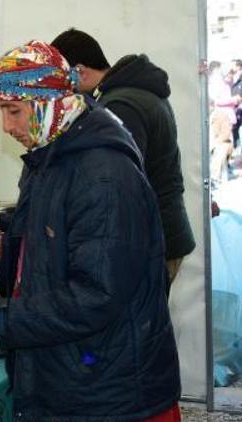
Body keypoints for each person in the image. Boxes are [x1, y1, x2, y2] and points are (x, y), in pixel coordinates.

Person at [0, 41, 181, 420]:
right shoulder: (48, 156)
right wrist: (0, 255)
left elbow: (98, 292)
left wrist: (1, 317)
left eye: (14, 111)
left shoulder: (103, 173)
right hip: (72, 373)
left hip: (108, 391)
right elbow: (46, 254)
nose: (8, 127)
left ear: (53, 103)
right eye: (1, 111)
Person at [51, 28, 195, 287]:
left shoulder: (120, 106)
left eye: (61, 83)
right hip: (161, 232)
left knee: (139, 325)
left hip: (150, 239)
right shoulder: (134, 93)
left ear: (80, 71)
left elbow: (118, 185)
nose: (61, 94)